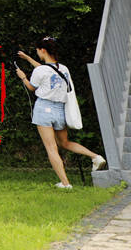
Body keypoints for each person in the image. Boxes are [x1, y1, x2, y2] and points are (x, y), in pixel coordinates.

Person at [14, 37, 106, 189]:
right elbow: (46, 71)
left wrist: (23, 76)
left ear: (42, 50)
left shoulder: (40, 70)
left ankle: (65, 183)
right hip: (59, 111)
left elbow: (32, 87)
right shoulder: (63, 69)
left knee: (51, 148)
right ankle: (95, 157)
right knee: (64, 143)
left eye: (37, 51)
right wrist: (28, 58)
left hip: (44, 109)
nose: (37, 54)